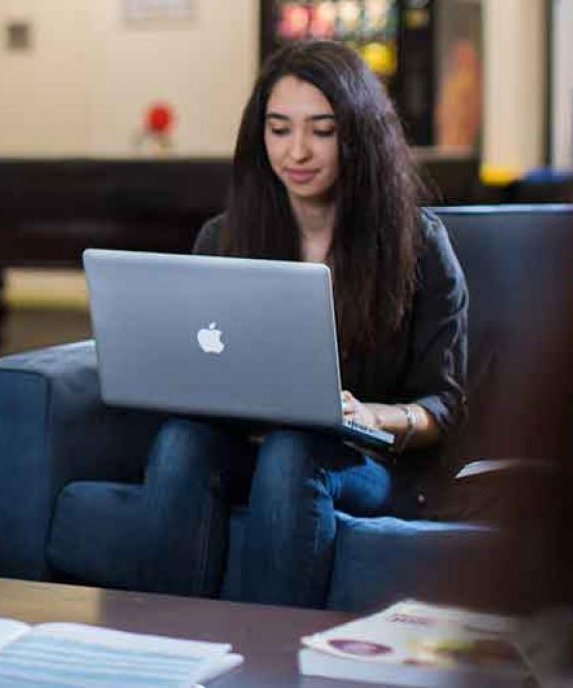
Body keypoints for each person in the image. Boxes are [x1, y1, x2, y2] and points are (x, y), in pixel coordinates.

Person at [139, 40, 467, 608]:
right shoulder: (224, 238)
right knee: (179, 442)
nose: (297, 151)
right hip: (252, 445)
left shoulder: (419, 244)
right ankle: (166, 654)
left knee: (296, 448)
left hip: (371, 462)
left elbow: (445, 405)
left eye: (321, 130)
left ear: (357, 136)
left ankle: (271, 663)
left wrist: (370, 416)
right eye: (279, 128)